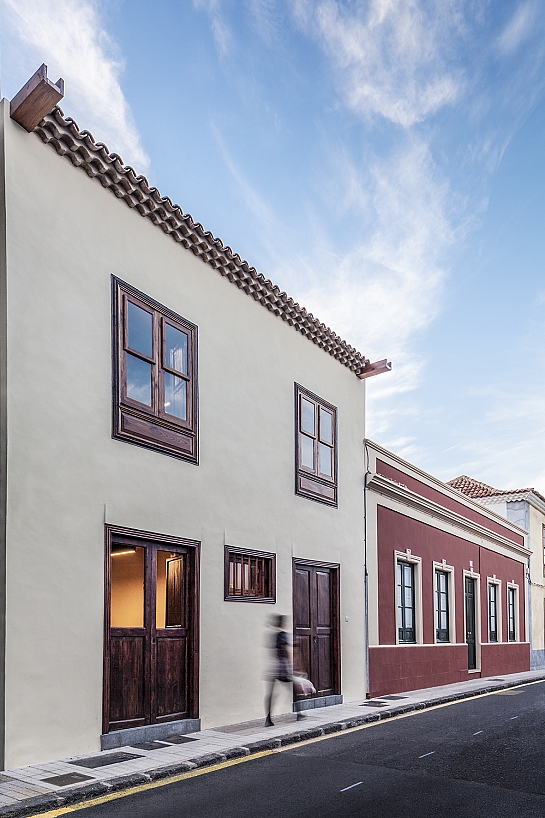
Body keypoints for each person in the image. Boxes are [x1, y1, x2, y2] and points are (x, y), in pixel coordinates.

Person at [264, 615, 306, 726]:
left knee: (271, 693)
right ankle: (299, 713)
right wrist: (289, 666)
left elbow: (273, 652)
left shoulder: (273, 635)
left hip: (274, 666)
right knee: (294, 688)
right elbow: (285, 650)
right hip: (282, 667)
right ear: (282, 623)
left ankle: (268, 718)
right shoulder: (282, 635)